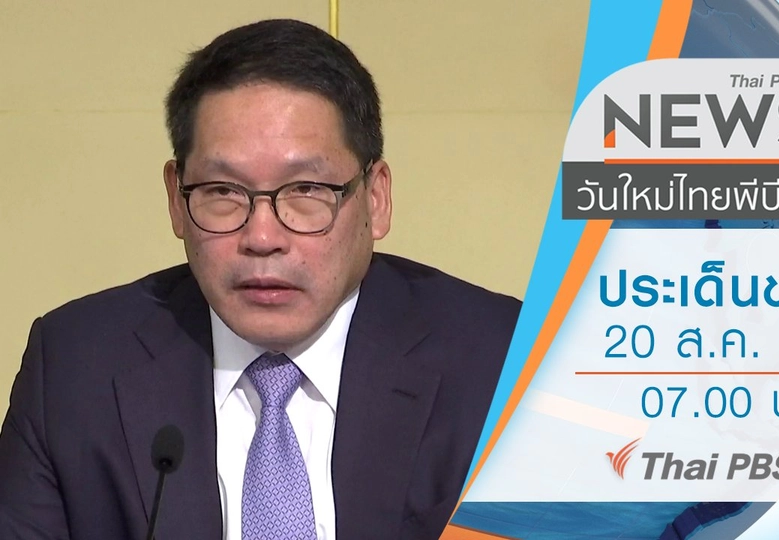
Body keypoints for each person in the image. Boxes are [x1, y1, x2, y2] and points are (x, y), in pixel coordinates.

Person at [0, 18, 520, 540]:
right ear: (176, 199)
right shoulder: (74, 367)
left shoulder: (504, 362)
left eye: (307, 190)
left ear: (376, 198)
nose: (263, 236)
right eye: (223, 191)